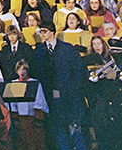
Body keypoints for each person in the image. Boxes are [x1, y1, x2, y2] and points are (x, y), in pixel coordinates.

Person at [32, 20, 87, 150]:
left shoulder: (67, 48)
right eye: (41, 32)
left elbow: (78, 69)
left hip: (69, 93)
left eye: (44, 31)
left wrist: (74, 87)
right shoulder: (39, 50)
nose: (42, 34)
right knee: (59, 128)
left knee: (75, 127)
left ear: (52, 32)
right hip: (50, 95)